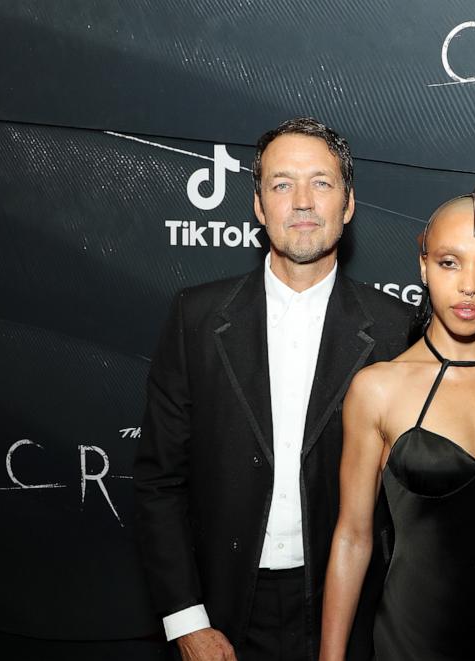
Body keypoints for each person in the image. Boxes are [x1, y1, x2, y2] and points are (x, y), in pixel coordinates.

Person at [134, 117, 414, 661]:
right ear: (260, 207)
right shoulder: (197, 317)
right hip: (225, 608)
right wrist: (187, 621)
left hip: (354, 611)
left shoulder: (398, 330)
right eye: (283, 184)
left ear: (349, 204)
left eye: (322, 183)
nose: (303, 201)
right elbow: (158, 481)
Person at [319, 188, 475, 661]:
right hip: (415, 640)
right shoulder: (378, 388)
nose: (469, 285)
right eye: (450, 262)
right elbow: (353, 535)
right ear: (423, 265)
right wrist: (331, 656)